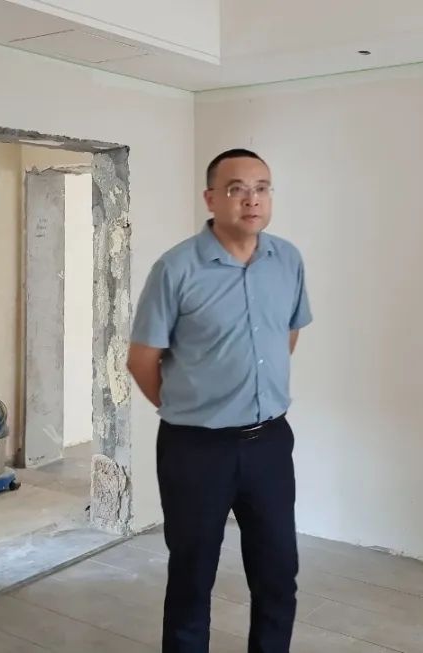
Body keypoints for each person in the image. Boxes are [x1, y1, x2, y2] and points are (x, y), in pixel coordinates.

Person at [127, 148, 312, 653]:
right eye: (236, 189)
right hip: (195, 449)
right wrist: (190, 407)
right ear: (210, 198)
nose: (252, 200)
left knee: (278, 574)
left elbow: (287, 334)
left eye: (261, 188)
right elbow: (142, 360)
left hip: (269, 443)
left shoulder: (287, 260)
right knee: (192, 577)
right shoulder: (176, 269)